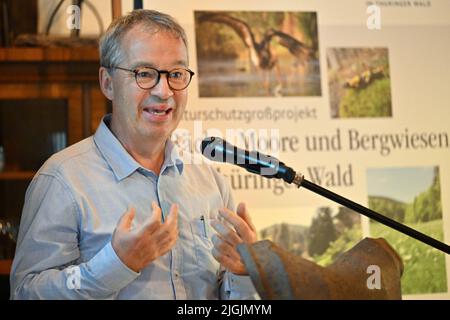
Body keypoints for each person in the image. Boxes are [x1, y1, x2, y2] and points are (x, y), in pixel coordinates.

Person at [10, 9, 259, 300]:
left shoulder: (210, 180)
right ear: (107, 83)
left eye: (176, 74)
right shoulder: (62, 179)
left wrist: (244, 274)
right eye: (144, 74)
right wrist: (115, 265)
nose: (164, 91)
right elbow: (27, 292)